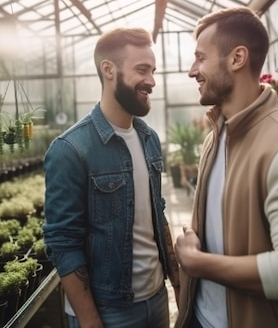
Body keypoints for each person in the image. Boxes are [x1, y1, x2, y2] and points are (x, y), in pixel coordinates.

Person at [174, 7, 278, 328]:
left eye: (201, 58)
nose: (192, 71)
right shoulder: (216, 137)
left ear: (237, 58)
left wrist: (196, 262)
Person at [42, 27, 180, 328]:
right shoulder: (71, 149)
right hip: (107, 312)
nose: (152, 81)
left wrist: (178, 286)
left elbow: (158, 214)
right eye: (142, 70)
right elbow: (63, 243)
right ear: (108, 70)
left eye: (153, 70)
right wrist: (91, 322)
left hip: (157, 300)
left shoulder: (149, 139)